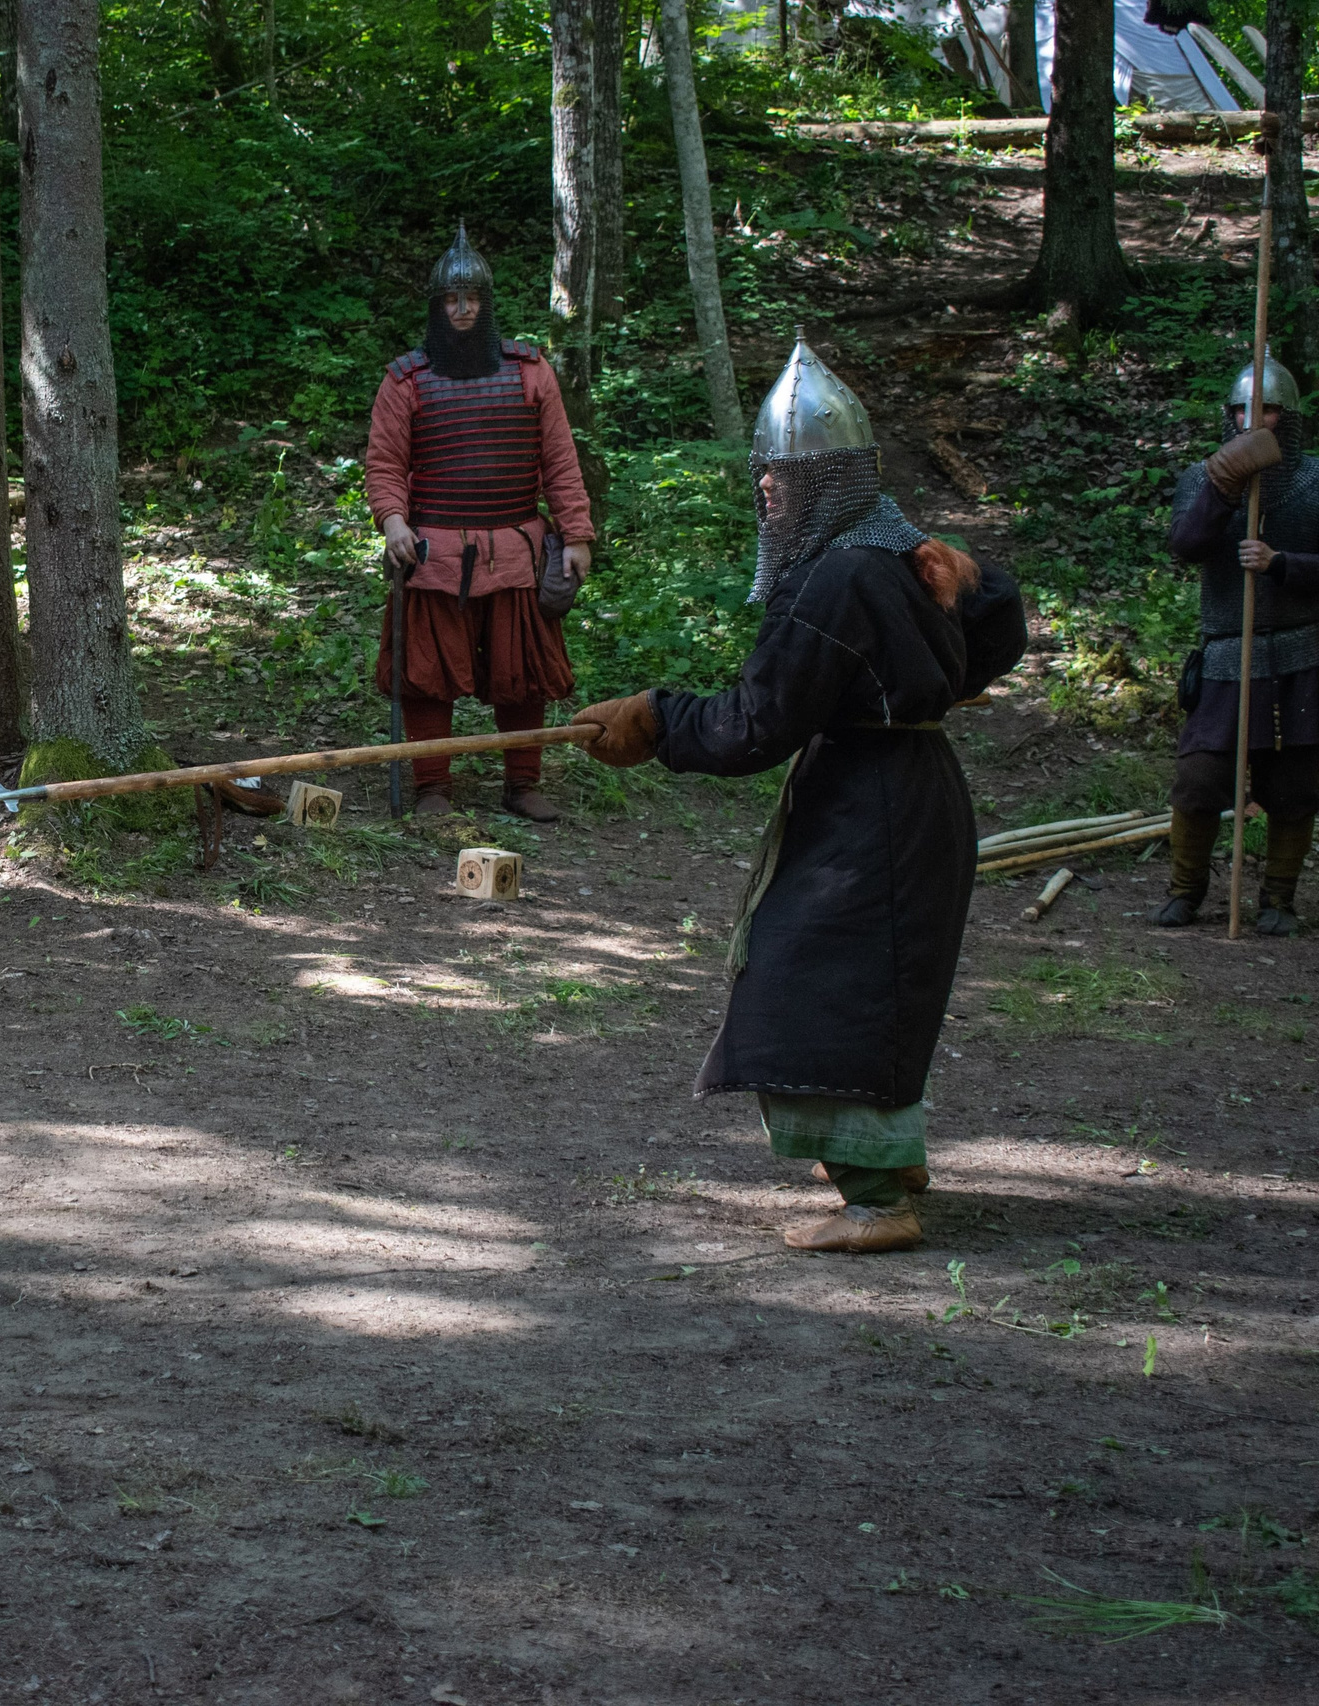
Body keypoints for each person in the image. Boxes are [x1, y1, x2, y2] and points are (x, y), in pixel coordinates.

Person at [575, 334, 1026, 1255]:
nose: (767, 488)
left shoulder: (840, 577)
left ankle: (878, 1201)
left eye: (782, 474)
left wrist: (656, 718)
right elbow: (998, 613)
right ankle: (889, 1161)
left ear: (827, 478)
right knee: (872, 982)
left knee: (816, 983)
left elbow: (755, 722)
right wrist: (929, 684)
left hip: (876, 812)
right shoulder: (901, 550)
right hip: (902, 796)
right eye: (766, 474)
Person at [367, 225, 595, 823]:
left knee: (523, 673)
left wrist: (575, 535)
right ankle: (432, 787)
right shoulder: (406, 381)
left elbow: (560, 460)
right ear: (438, 305)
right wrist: (393, 521)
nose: (463, 308)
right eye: (452, 298)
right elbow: (385, 463)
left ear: (486, 303)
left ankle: (522, 782)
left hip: (516, 551)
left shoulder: (530, 371)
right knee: (427, 675)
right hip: (434, 553)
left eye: (471, 298)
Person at [1157, 355, 1319, 936]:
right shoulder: (1202, 479)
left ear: (1287, 417)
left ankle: (1278, 900)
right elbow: (1186, 546)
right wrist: (1224, 487)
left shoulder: (1315, 481)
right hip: (1228, 654)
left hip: (1301, 657)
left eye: (1267, 410)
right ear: (1229, 416)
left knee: (1295, 787)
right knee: (1199, 780)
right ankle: (1185, 892)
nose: (1255, 420)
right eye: (1244, 410)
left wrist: (1283, 564)